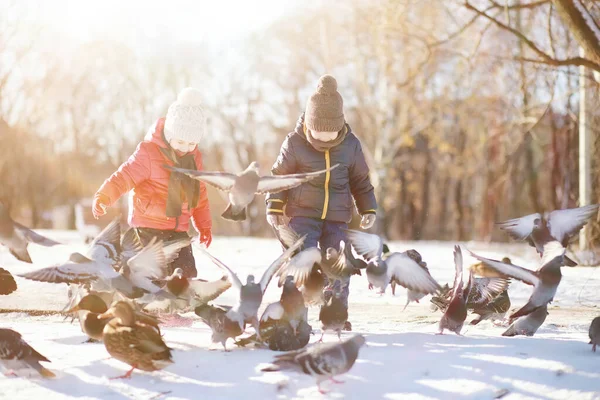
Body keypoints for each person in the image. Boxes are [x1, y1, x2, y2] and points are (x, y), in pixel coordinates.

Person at [266, 75, 377, 325]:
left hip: (337, 218)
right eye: (319, 132)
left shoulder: (350, 145)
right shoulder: (294, 142)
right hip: (301, 214)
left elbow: (361, 180)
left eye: (331, 132)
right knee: (300, 262)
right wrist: (274, 204)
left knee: (338, 265)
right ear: (309, 121)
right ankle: (293, 313)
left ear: (340, 125)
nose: (325, 138)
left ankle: (335, 314)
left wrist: (367, 207)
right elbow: (279, 177)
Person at [91, 88, 212, 278]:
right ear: (169, 133)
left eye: (191, 144)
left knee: (186, 273)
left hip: (179, 229)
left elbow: (200, 195)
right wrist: (105, 196)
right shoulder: (148, 153)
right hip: (149, 227)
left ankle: (177, 303)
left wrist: (204, 226)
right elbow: (125, 176)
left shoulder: (194, 159)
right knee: (152, 274)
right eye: (180, 142)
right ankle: (140, 298)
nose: (185, 148)